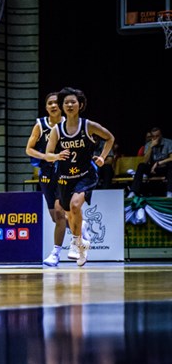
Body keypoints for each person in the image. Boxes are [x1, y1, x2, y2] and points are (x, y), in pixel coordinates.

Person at [44, 87, 114, 267]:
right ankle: (81, 245)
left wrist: (102, 157)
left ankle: (76, 242)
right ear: (62, 106)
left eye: (73, 102)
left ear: (80, 105)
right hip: (65, 177)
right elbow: (48, 154)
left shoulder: (88, 125)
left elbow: (110, 138)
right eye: (66, 102)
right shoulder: (57, 130)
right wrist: (57, 156)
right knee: (69, 212)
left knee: (75, 205)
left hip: (85, 175)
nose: (69, 104)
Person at [25, 91, 71, 267]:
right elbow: (28, 149)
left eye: (56, 103)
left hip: (65, 172)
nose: (53, 106)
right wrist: (46, 157)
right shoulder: (40, 124)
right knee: (55, 217)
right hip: (46, 171)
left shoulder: (69, 125)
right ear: (46, 107)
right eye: (49, 103)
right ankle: (80, 226)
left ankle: (55, 253)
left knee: (60, 212)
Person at [128, 127, 172, 198]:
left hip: (164, 168)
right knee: (141, 165)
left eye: (157, 136)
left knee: (171, 165)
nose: (155, 138)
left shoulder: (168, 142)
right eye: (153, 136)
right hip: (152, 169)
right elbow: (145, 161)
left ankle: (170, 192)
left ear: (161, 135)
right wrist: (151, 147)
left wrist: (158, 163)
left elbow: (171, 158)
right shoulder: (149, 144)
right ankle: (133, 191)